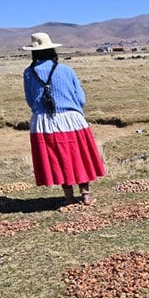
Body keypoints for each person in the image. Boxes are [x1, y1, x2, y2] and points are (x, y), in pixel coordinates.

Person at [22, 32, 105, 206]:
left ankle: (68, 197)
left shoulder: (29, 73)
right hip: (71, 118)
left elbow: (31, 101)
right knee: (79, 155)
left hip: (44, 122)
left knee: (57, 158)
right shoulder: (66, 70)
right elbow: (80, 98)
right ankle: (86, 194)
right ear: (52, 50)